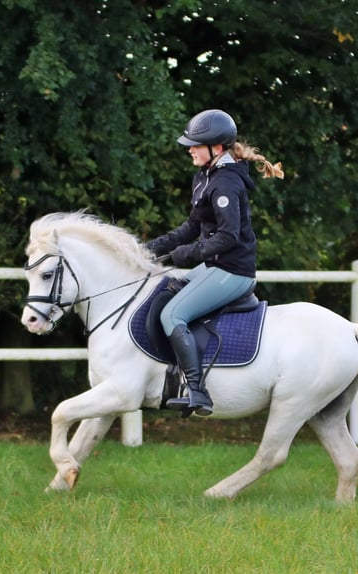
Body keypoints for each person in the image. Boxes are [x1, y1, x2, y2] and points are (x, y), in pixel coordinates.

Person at [146, 109, 284, 416]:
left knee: (172, 315)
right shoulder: (205, 176)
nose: (190, 149)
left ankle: (197, 392)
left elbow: (228, 237)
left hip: (232, 272)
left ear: (217, 148)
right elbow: (191, 227)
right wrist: (151, 248)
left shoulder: (226, 183)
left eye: (196, 144)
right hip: (214, 268)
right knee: (165, 290)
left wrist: (188, 254)